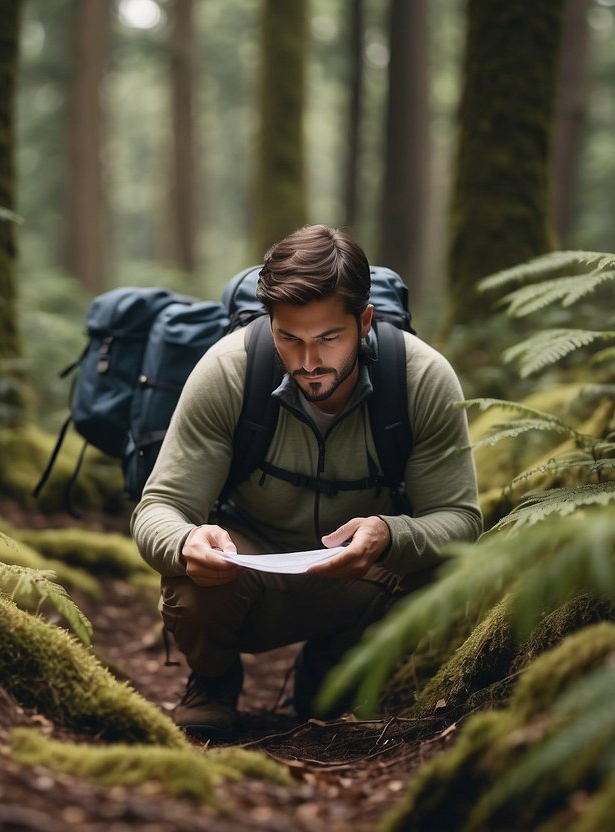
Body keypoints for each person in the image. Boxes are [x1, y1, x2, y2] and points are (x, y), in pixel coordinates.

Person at [130, 224, 482, 741]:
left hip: (363, 577)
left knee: (437, 570)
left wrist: (390, 535)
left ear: (364, 322)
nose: (309, 361)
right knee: (187, 580)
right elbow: (158, 506)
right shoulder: (228, 371)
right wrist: (185, 542)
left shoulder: (420, 378)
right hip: (248, 571)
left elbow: (461, 519)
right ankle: (213, 680)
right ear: (269, 322)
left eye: (328, 338)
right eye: (288, 338)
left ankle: (337, 672)